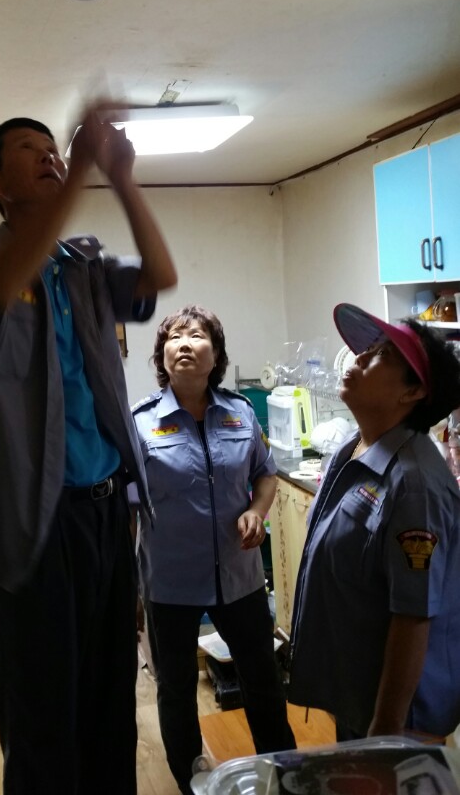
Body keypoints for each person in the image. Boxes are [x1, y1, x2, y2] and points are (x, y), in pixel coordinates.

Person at [0, 109, 177, 795]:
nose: (48, 157)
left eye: (53, 150)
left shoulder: (82, 268)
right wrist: (79, 172)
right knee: (43, 717)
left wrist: (122, 179)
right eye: (28, 149)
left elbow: (159, 275)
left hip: (106, 515)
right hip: (30, 527)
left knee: (111, 707)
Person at [132, 304, 296, 795]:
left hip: (240, 578)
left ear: (217, 354)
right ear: (162, 355)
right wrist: (127, 585)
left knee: (262, 680)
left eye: (197, 335)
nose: (185, 343)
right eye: (174, 336)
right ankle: (191, 781)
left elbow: (265, 474)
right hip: (170, 583)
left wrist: (258, 512)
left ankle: (284, 773)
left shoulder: (240, 412)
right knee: (176, 689)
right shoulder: (139, 423)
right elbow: (124, 508)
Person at [288, 303, 460, 742]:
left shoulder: (416, 484)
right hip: (357, 689)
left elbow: (413, 616)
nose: (359, 357)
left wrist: (386, 732)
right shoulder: (352, 447)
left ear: (413, 392)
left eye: (382, 355)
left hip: (398, 716)